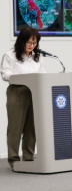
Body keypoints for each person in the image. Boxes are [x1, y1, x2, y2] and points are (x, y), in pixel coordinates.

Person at [1, 28, 46, 169]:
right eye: (28, 42)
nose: (31, 46)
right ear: (21, 41)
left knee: (31, 127)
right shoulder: (10, 55)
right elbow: (5, 74)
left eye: (34, 43)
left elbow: (42, 73)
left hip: (34, 92)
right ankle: (13, 159)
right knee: (15, 127)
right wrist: (22, 78)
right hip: (17, 92)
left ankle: (28, 158)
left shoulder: (37, 56)